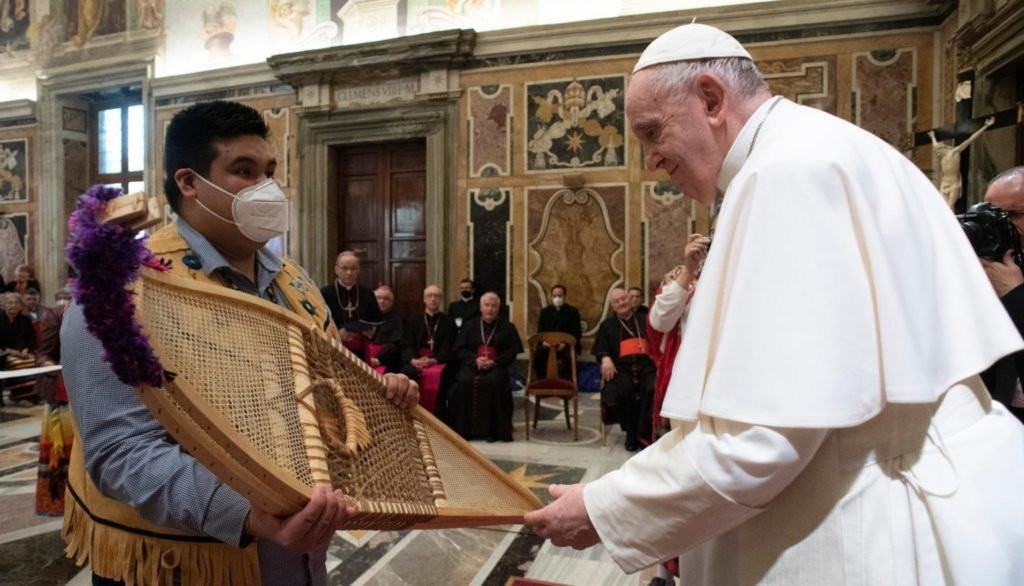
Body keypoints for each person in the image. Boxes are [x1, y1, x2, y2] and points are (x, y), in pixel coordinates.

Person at [524, 23, 1024, 585]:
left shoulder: (782, 175)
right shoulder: (821, 146)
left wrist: (604, 507)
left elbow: (759, 442)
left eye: (651, 132)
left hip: (862, 521)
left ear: (711, 98)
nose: (651, 161)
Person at [61, 100, 419, 586]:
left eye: (269, 171)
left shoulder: (295, 281)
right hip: (183, 562)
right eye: (243, 171)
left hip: (298, 555)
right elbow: (122, 451)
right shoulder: (123, 288)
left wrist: (377, 396)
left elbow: (325, 388)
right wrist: (247, 512)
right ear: (188, 183)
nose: (265, 188)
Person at [646, 233, 710, 442]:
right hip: (690, 372)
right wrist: (689, 271)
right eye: (713, 234)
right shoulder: (684, 275)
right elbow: (659, 321)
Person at [980, 166, 1024, 421]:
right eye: (993, 214)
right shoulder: (1001, 259)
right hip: (1004, 407)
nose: (1001, 224)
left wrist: (1015, 294)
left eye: (1013, 214)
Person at [450, 292, 523, 442]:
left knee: (495, 381)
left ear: (498, 308)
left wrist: (495, 362)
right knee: (464, 381)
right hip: (472, 365)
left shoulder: (508, 327)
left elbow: (512, 352)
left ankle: (494, 431)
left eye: (493, 306)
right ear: (481, 307)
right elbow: (460, 349)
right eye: (486, 305)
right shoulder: (470, 325)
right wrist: (474, 360)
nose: (490, 309)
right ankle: (465, 430)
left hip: (496, 366)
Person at [593, 287, 655, 452]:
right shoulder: (607, 325)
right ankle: (631, 434)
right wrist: (605, 358)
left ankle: (645, 433)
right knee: (623, 389)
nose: (621, 303)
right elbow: (600, 349)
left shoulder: (645, 319)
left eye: (624, 299)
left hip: (646, 367)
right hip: (621, 369)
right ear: (612, 306)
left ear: (631, 300)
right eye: (617, 301)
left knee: (652, 387)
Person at [401, 285, 457, 414]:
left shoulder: (449, 322)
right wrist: (412, 360)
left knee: (444, 377)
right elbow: (406, 344)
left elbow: (450, 347)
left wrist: (434, 360)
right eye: (429, 296)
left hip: (439, 362)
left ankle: (438, 419)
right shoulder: (413, 320)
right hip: (416, 361)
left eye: (436, 296)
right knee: (407, 372)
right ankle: (410, 415)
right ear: (424, 299)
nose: (433, 299)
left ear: (441, 300)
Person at [319, 251, 383, 361]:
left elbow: (376, 319)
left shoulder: (367, 293)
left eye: (353, 268)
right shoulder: (324, 293)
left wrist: (371, 331)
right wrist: (337, 332)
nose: (349, 272)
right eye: (344, 268)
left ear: (358, 270)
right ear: (336, 269)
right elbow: (319, 319)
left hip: (360, 350)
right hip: (334, 347)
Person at [928, 116, 994, 208]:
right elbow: (935, 145)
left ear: (942, 148)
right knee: (942, 207)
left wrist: (985, 126)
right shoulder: (942, 156)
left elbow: (970, 139)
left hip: (954, 184)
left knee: (950, 207)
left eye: (938, 148)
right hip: (944, 184)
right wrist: (932, 137)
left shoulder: (955, 152)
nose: (937, 151)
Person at [533, 283, 582, 380]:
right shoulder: (545, 312)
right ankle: (542, 382)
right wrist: (544, 342)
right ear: (551, 297)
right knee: (537, 356)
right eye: (554, 296)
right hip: (547, 345)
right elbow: (540, 331)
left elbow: (577, 333)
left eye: (560, 296)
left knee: (569, 358)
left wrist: (565, 343)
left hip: (566, 346)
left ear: (564, 296)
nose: (557, 298)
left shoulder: (573, 312)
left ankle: (565, 384)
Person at [0, 291, 36, 403]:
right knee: (16, 364)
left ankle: (31, 395)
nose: (13, 305)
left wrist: (26, 349)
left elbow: (31, 338)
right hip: (3, 351)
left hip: (22, 352)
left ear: (21, 305)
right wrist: (9, 351)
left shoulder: (25, 320)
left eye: (16, 302)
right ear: (4, 304)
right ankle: (19, 396)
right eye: (10, 302)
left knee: (32, 362)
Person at [367, 285, 403, 374]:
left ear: (391, 302)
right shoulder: (365, 317)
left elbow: (394, 343)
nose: (381, 301)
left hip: (385, 360)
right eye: (378, 298)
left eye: (386, 299)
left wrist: (378, 359)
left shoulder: (397, 320)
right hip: (365, 357)